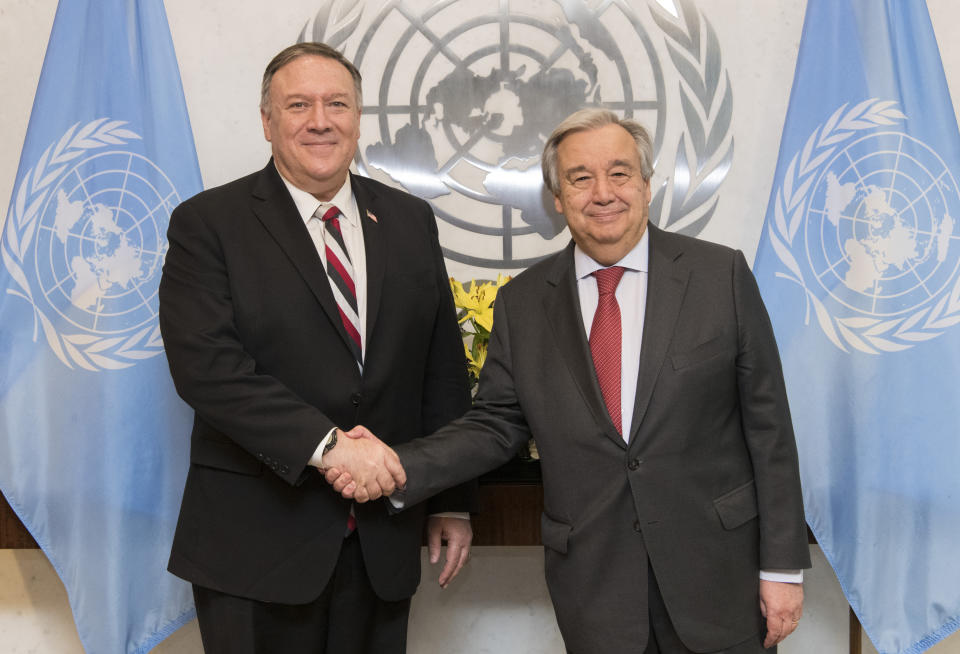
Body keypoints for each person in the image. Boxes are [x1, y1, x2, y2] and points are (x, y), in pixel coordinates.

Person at [327, 109, 812, 653]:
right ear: (557, 199)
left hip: (720, 579)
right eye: (580, 178)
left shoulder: (719, 276)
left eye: (620, 173)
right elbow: (494, 427)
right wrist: (399, 464)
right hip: (597, 589)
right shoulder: (523, 303)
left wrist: (783, 569)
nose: (602, 192)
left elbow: (770, 432)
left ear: (647, 185)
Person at [158, 42, 474, 654]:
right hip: (255, 548)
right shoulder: (208, 224)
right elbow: (208, 370)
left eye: (337, 104)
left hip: (383, 538)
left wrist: (453, 500)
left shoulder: (410, 220)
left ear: (359, 117)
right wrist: (329, 448)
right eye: (298, 105)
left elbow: (439, 367)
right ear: (267, 121)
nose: (320, 121)